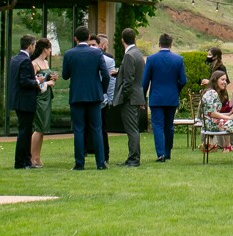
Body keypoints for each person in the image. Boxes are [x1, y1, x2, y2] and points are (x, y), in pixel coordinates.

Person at [63, 32, 112, 170]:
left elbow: (65, 75)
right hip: (94, 96)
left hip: (77, 95)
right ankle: (100, 162)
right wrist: (102, 90)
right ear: (88, 38)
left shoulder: (69, 54)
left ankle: (79, 163)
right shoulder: (96, 54)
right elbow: (106, 75)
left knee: (79, 129)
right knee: (97, 128)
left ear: (75, 38)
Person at [143, 33, 188, 163]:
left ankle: (160, 153)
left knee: (157, 125)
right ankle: (167, 152)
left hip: (156, 98)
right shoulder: (178, 59)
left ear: (159, 44)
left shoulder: (151, 59)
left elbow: (145, 81)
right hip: (171, 97)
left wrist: (143, 96)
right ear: (171, 44)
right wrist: (176, 90)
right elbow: (183, 80)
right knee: (169, 126)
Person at [113, 28, 146, 168]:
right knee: (134, 129)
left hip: (130, 98)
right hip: (137, 95)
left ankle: (133, 159)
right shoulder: (138, 54)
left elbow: (128, 80)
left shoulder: (129, 55)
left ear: (122, 40)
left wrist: (124, 96)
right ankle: (132, 157)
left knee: (132, 129)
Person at [7, 34, 40, 169]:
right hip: (25, 101)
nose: (34, 48)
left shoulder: (15, 59)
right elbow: (24, 81)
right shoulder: (25, 61)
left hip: (18, 100)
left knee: (25, 131)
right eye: (34, 45)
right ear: (30, 46)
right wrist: (37, 81)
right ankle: (21, 161)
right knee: (25, 132)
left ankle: (26, 160)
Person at [29, 38, 56, 168]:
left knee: (43, 128)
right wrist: (47, 83)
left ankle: (38, 157)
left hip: (47, 97)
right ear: (45, 49)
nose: (50, 51)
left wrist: (52, 79)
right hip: (39, 98)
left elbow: (46, 78)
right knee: (38, 127)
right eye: (50, 48)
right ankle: (32, 157)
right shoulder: (34, 64)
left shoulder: (45, 62)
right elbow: (34, 83)